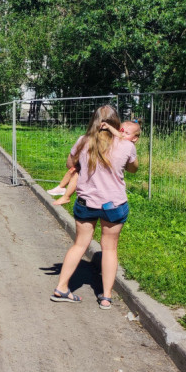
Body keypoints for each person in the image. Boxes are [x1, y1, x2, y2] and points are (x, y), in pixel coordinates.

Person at [50, 105, 138, 309]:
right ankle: (106, 297)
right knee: (109, 248)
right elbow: (133, 168)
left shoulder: (83, 141)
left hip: (86, 202)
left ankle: (62, 287)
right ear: (116, 123)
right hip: (114, 204)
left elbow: (69, 164)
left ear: (94, 121)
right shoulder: (126, 145)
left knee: (80, 244)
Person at [48, 120, 141, 205]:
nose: (122, 134)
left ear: (134, 138)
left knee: (76, 172)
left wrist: (109, 127)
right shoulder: (120, 142)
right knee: (74, 170)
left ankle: (65, 195)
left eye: (127, 133)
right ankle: (61, 188)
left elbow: (132, 167)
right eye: (121, 131)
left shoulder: (127, 145)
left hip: (106, 185)